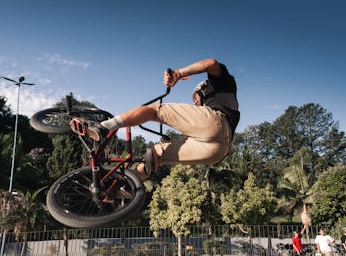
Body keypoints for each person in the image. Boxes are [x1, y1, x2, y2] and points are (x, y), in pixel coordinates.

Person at [70, 58, 240, 180]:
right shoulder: (206, 112)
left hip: (217, 124)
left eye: (196, 99)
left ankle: (103, 127)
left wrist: (178, 74)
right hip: (216, 152)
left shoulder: (220, 84)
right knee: (158, 153)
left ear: (203, 90)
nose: (195, 104)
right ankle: (123, 189)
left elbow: (210, 63)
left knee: (153, 111)